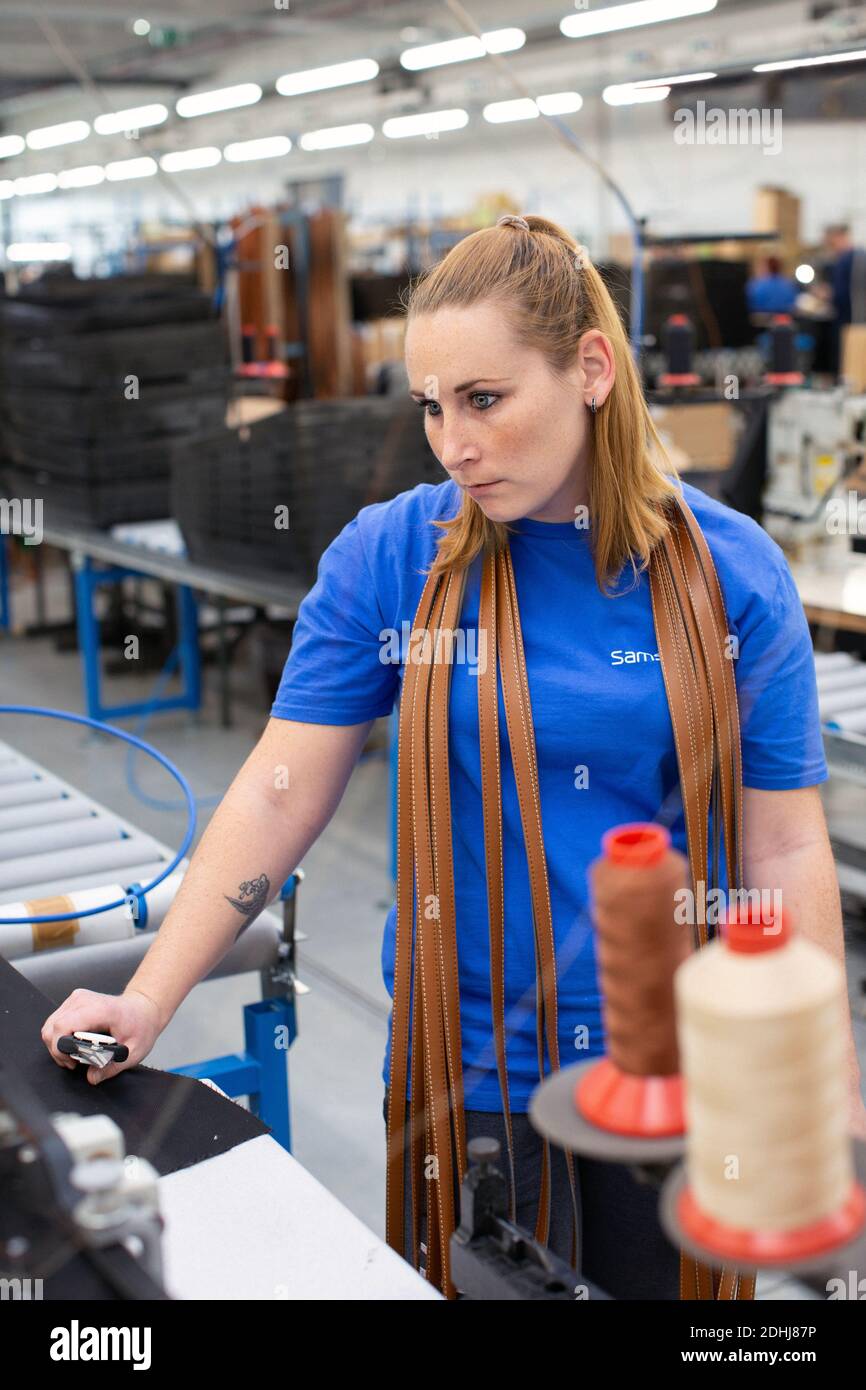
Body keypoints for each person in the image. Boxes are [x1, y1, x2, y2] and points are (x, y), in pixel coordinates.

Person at [41, 213, 866, 1301]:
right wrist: (149, 995)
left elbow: (781, 845)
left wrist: (819, 1085)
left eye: (483, 399)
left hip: (676, 1070)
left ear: (589, 369)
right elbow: (279, 793)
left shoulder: (729, 577)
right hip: (469, 1071)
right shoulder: (393, 558)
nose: (451, 442)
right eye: (430, 405)